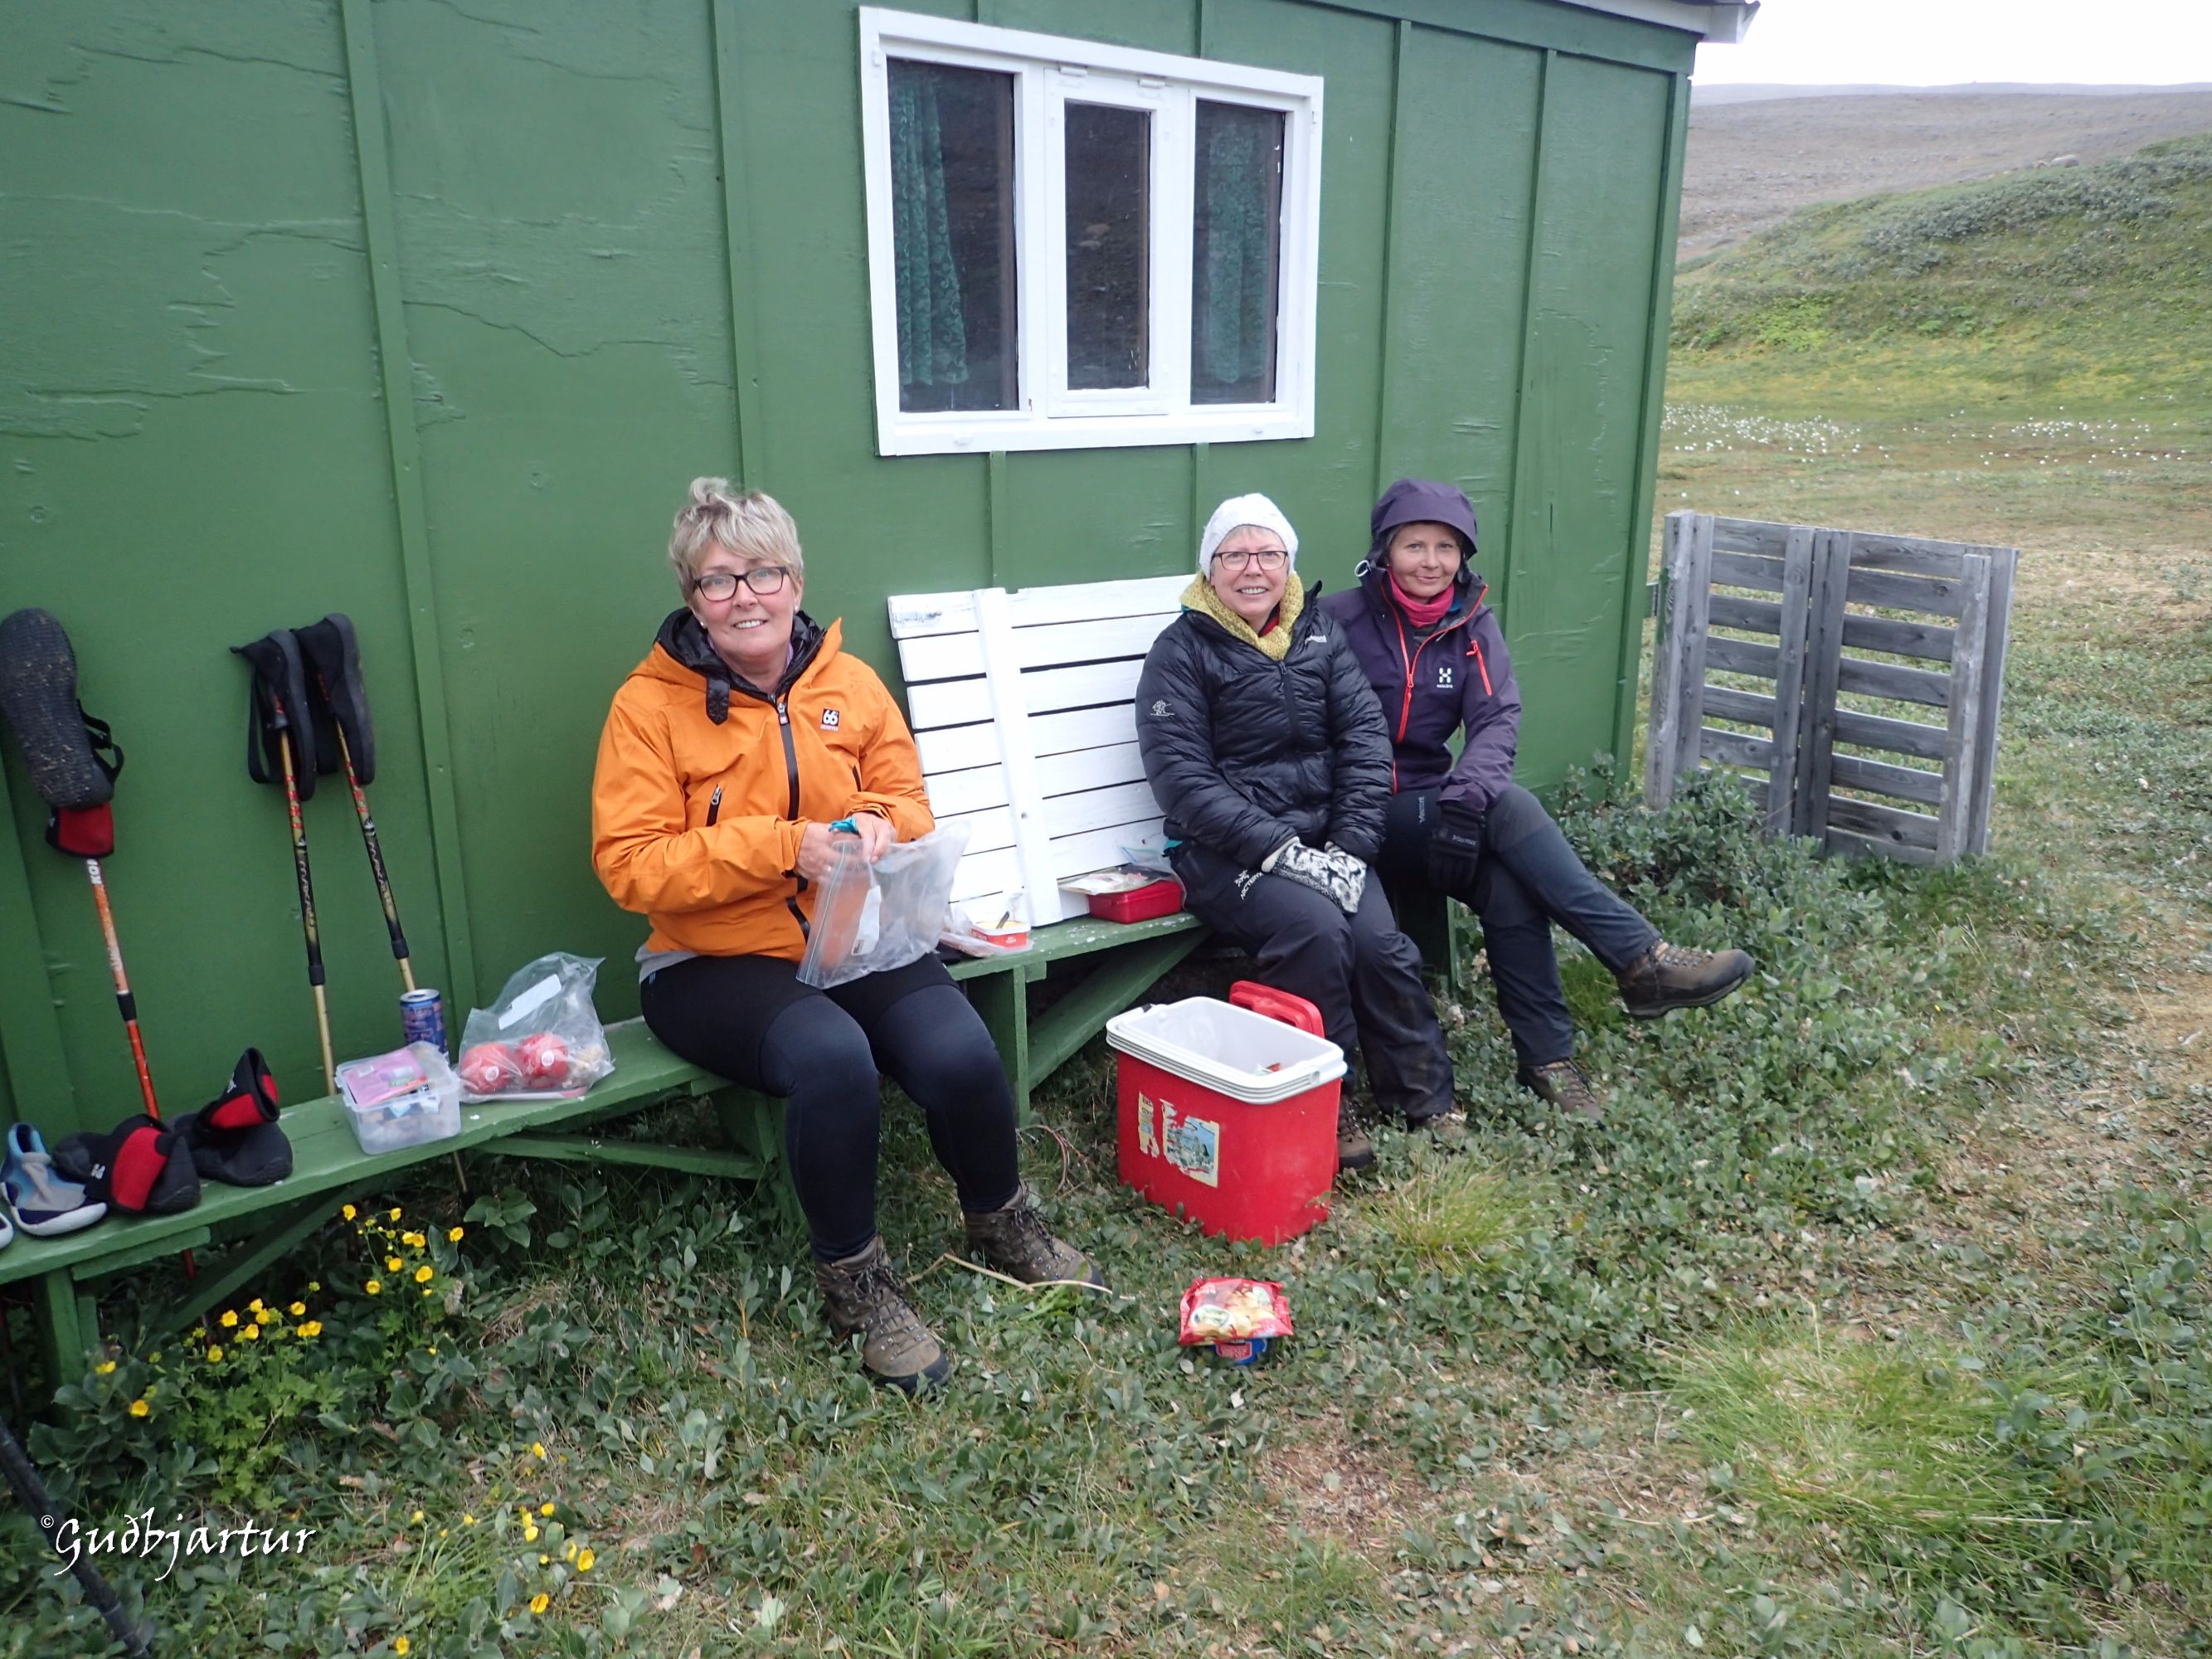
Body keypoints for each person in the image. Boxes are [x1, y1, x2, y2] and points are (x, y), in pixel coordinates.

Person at [591, 479, 1097, 1394]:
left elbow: (908, 800)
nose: (744, 596)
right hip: (709, 961)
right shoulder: (647, 707)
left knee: (959, 1051)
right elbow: (630, 864)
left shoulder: (849, 683)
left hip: (850, 936)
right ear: (692, 600)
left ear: (795, 581)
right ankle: (856, 1285)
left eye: (763, 573)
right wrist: (780, 847)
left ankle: (1001, 1218)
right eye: (717, 581)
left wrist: (875, 822)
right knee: (833, 1058)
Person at [1321, 479, 1754, 1120]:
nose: (1430, 562)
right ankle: (1641, 960)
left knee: (1508, 888)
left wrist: (1461, 802)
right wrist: (1466, 805)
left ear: (1463, 557)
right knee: (1511, 806)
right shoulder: (1338, 620)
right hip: (1353, 814)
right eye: (1414, 545)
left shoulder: (1470, 623)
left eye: (1446, 548)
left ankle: (1546, 1059)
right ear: (1384, 550)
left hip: (1427, 809)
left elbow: (1496, 717)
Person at [1135, 494, 1464, 1171]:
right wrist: (1282, 852)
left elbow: (1365, 741)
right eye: (1234, 555)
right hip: (1222, 851)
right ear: (1209, 567)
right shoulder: (1180, 652)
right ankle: (1322, 1103)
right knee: (1315, 932)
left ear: (1288, 563)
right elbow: (1183, 782)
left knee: (1379, 944)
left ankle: (1423, 1097)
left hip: (1326, 842)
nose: (1252, 569)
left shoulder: (1318, 634)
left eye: (1268, 553)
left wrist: (1350, 846)